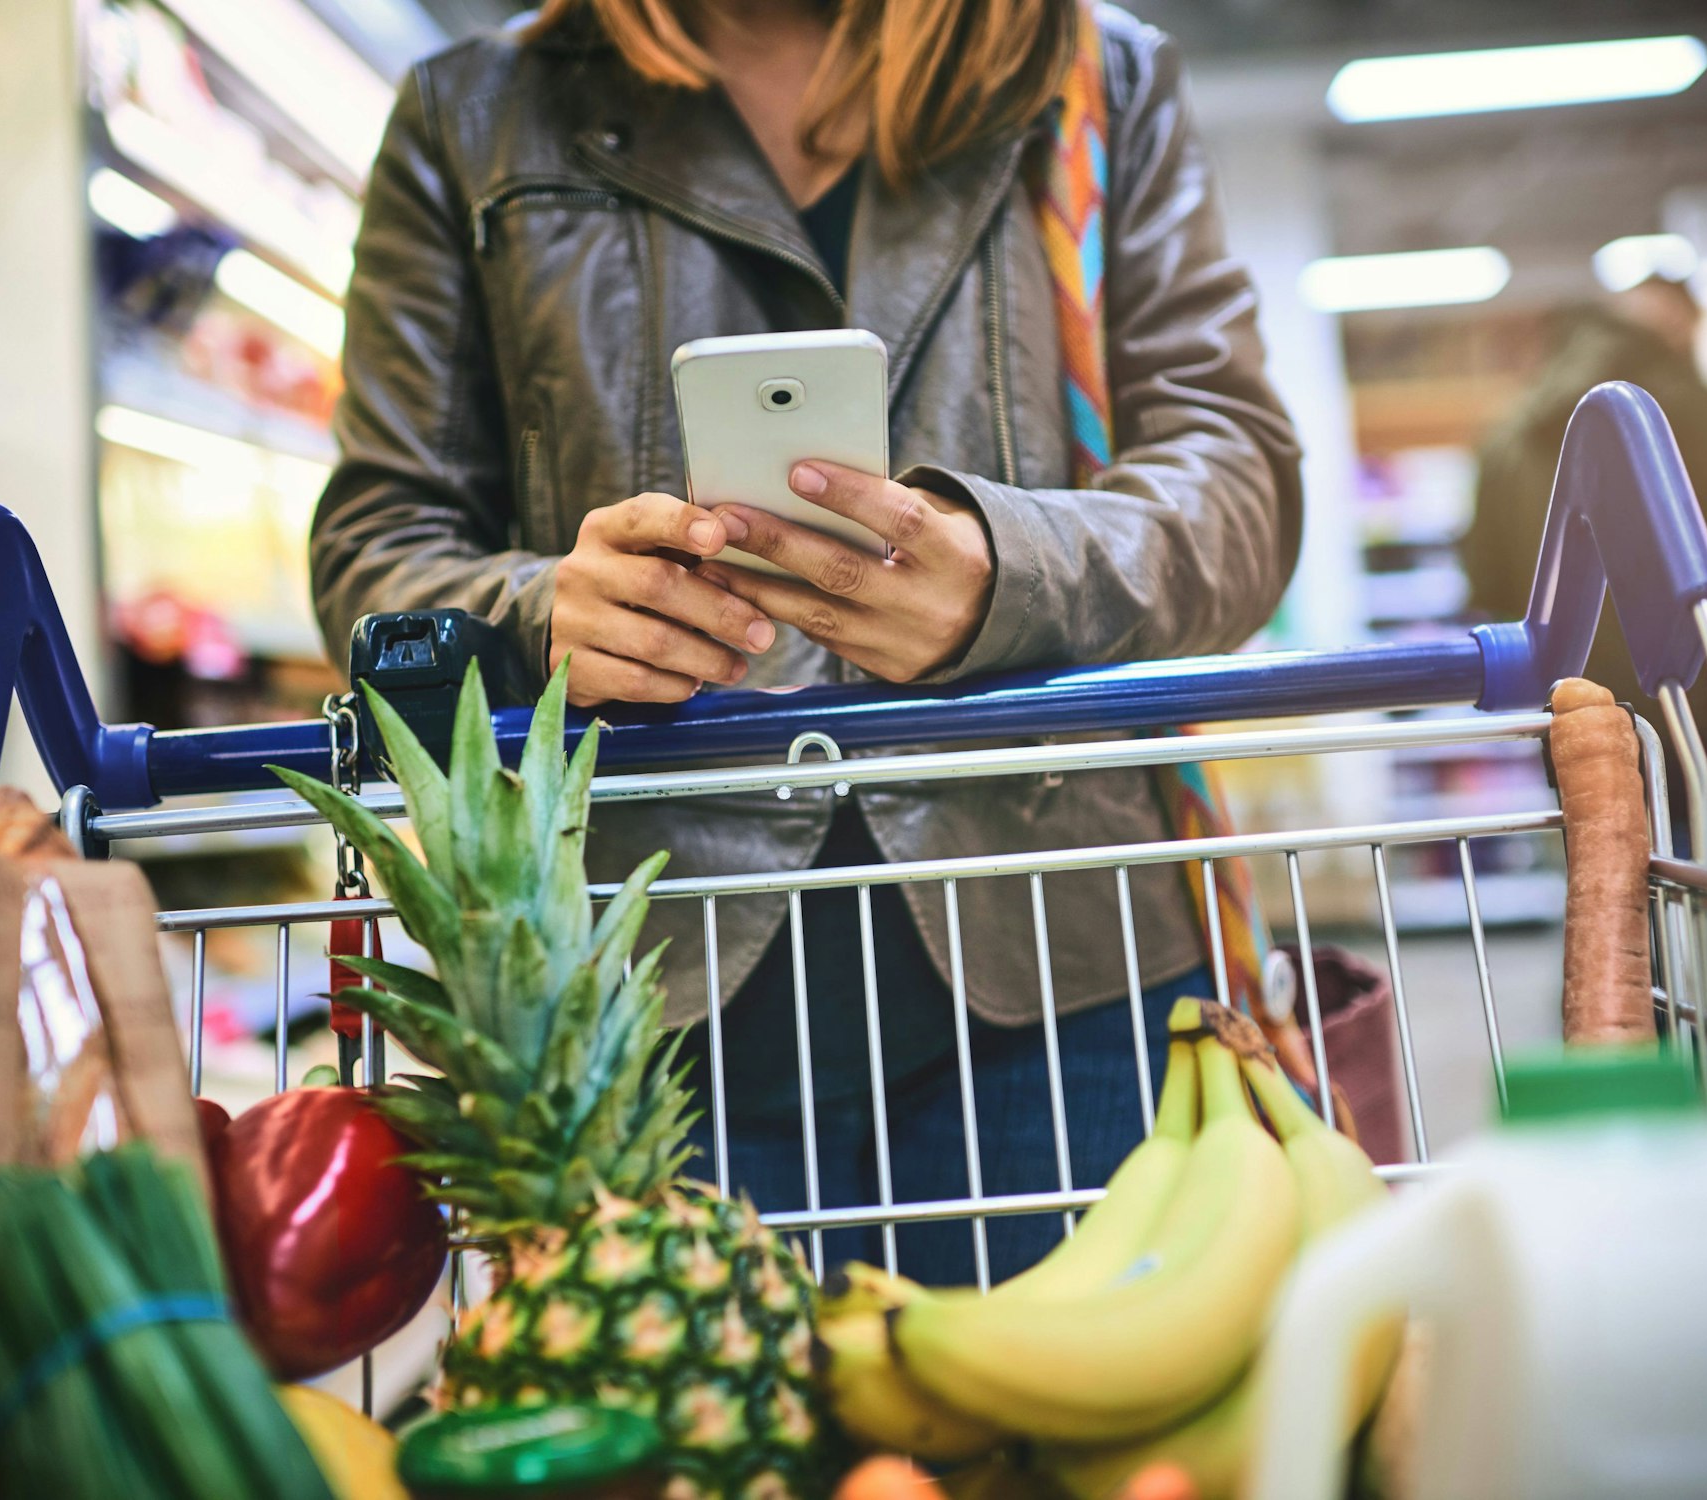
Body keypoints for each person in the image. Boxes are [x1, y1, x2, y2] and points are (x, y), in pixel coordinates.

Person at [311, 0, 1302, 1281]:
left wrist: (1009, 571)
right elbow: (375, 546)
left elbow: (1239, 482)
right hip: (639, 1000)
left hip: (1068, 969)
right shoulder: (472, 119)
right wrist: (540, 616)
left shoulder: (1089, 72)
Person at [1463, 276, 1707, 873]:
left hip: (1583, 722)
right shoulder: (1682, 405)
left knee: (1618, 915)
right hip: (1706, 716)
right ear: (1676, 325)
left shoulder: (1509, 436)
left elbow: (1488, 590)